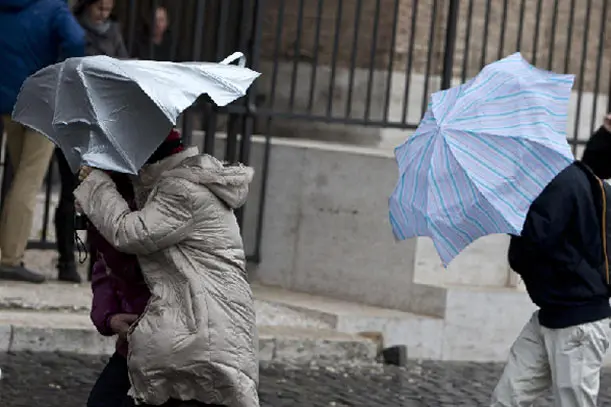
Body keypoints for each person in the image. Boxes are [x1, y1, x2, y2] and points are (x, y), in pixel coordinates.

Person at [75, 129, 259, 407]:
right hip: (158, 335)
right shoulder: (135, 189)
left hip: (196, 337)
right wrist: (109, 315)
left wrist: (95, 186)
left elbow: (129, 234)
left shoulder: (182, 189)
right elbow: (107, 261)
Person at [491, 114, 611, 406]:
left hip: (577, 323)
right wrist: (606, 133)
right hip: (551, 314)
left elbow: (529, 245)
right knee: (508, 398)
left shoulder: (557, 182)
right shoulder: (564, 176)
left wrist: (509, 210)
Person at [0, 0, 85, 283]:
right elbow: (76, 39)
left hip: (7, 102)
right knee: (28, 179)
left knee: (17, 176)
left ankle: (9, 251)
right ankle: (10, 258)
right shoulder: (53, 8)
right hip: (41, 99)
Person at [56, 0, 130, 283]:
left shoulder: (114, 33)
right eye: (99, 7)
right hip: (74, 120)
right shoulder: (73, 31)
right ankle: (66, 260)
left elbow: (123, 66)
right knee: (71, 192)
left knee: (99, 195)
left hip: (103, 122)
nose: (104, 14)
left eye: (109, 8)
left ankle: (96, 264)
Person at [86, 172, 150, 407]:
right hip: (137, 343)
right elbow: (105, 265)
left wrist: (99, 201)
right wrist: (109, 317)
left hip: (175, 343)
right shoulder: (115, 189)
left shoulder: (170, 195)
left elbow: (131, 249)